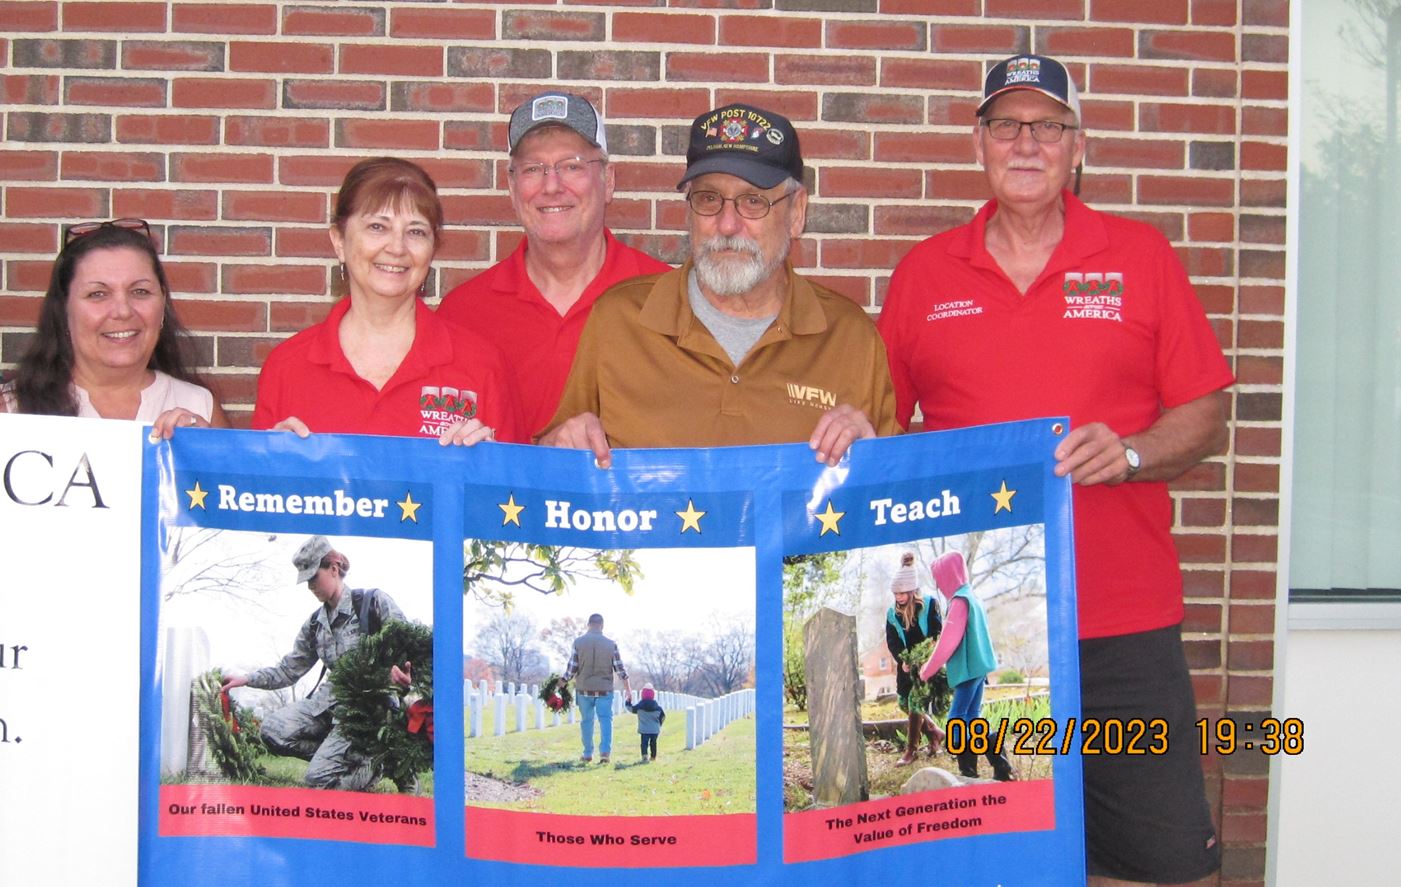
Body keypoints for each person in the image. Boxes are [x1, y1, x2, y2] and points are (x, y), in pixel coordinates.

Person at [877, 54, 1232, 885]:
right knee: (995, 851)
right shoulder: (925, 275)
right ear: (979, 144)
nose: (1026, 143)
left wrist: (1134, 452)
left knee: (1165, 862)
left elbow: (1206, 412)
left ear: (1078, 146)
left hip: (1122, 624)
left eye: (1048, 127)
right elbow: (884, 430)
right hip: (1008, 639)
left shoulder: (1140, 257)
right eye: (1006, 125)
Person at [539, 102, 895, 467]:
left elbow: (898, 497)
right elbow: (554, 463)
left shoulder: (851, 337)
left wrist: (876, 455)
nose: (727, 225)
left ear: (797, 213)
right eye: (709, 199)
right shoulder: (618, 321)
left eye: (753, 201)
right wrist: (560, 444)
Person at [436, 92, 669, 437]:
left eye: (572, 165)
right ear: (512, 188)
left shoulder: (668, 298)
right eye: (533, 169)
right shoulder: (462, 314)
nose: (551, 186)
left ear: (609, 181)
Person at [251, 157, 524, 444]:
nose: (397, 247)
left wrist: (493, 465)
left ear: (433, 250)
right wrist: (272, 467)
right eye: (378, 227)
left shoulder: (482, 365)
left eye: (416, 231)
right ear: (339, 241)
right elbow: (250, 488)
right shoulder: (286, 367)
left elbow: (519, 486)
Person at [0, 218, 228, 438]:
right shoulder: (12, 409)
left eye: (140, 291)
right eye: (97, 294)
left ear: (163, 303)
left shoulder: (199, 406)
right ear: (63, 310)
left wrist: (205, 451)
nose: (123, 311)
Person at [221, 536, 407, 791]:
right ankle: (353, 760)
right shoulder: (314, 624)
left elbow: (410, 643)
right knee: (272, 731)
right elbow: (289, 670)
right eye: (306, 580)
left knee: (317, 781)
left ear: (333, 569)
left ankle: (375, 764)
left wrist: (403, 674)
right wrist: (248, 678)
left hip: (366, 710)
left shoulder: (372, 603)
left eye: (313, 577)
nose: (310, 586)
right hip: (328, 705)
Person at [918, 551, 1013, 781]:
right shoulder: (972, 597)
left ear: (949, 576)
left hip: (968, 670)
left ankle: (967, 772)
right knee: (972, 717)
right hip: (979, 668)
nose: (939, 585)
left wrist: (927, 670)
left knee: (956, 720)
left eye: (940, 579)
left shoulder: (959, 602)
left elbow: (948, 643)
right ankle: (1003, 768)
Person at [884, 551, 945, 765]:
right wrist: (903, 660)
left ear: (912, 590)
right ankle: (935, 733)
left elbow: (937, 633)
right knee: (904, 702)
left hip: (927, 662)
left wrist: (923, 658)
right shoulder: (892, 613)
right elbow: (892, 640)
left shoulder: (929, 604)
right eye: (896, 594)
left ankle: (911, 751)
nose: (899, 597)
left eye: (903, 593)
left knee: (915, 702)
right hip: (906, 665)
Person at [561, 613, 631, 764]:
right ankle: (605, 753)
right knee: (605, 720)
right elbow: (620, 670)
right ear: (602, 625)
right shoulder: (611, 644)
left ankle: (587, 753)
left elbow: (572, 668)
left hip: (584, 689)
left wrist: (562, 681)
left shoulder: (578, 642)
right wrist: (628, 690)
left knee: (587, 721)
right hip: (604, 690)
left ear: (588, 624)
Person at [624, 682, 666, 763]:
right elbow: (663, 717)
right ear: (653, 695)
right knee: (653, 743)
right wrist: (659, 724)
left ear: (642, 695)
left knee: (644, 743)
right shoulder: (658, 708)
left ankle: (644, 756)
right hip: (655, 730)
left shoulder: (639, 707)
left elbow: (630, 709)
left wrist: (628, 701)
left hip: (644, 730)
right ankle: (653, 757)